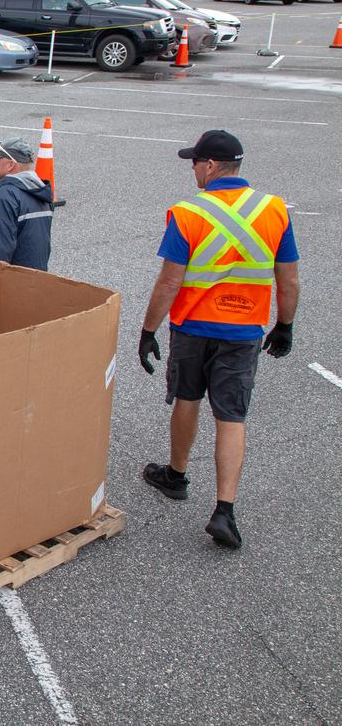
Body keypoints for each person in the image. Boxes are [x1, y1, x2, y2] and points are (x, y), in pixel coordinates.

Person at [137, 130, 299, 550]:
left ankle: (176, 475)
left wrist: (148, 330)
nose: (192, 169)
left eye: (194, 162)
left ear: (210, 166)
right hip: (244, 331)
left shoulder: (188, 212)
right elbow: (289, 278)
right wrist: (284, 325)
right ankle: (224, 509)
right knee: (232, 417)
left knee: (187, 398)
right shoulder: (274, 210)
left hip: (193, 327)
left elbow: (170, 280)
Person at [0, 138, 54, 271]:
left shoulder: (5, 197)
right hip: (36, 281)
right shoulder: (41, 193)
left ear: (10, 165)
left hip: (10, 284)